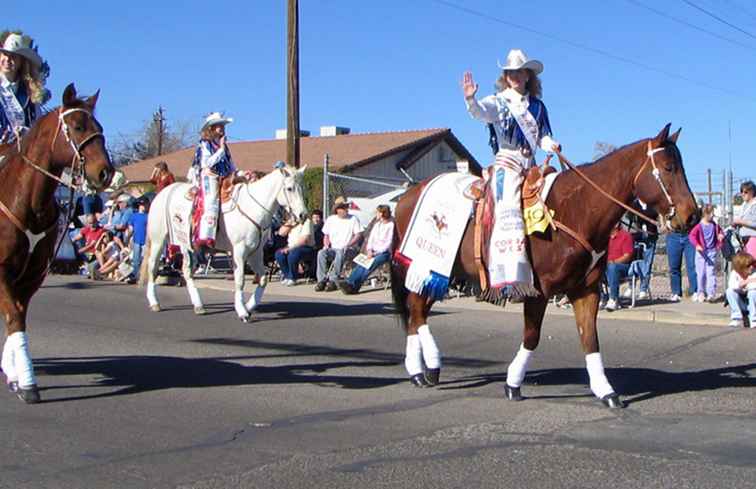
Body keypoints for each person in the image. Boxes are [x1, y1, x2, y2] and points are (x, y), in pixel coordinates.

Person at [462, 49, 560, 296]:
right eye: (510, 72)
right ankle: (509, 276)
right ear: (506, 77)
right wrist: (471, 100)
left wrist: (552, 145)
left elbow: (543, 137)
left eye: (519, 71)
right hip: (508, 163)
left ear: (528, 75)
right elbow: (479, 113)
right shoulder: (498, 101)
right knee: (509, 211)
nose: (515, 76)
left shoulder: (538, 107)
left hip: (531, 165)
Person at [191, 112, 238, 249]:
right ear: (211, 128)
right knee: (211, 201)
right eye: (219, 125)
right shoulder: (206, 144)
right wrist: (221, 150)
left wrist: (239, 173)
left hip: (225, 177)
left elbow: (231, 165)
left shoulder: (224, 147)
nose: (222, 128)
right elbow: (207, 163)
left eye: (223, 125)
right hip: (209, 176)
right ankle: (206, 236)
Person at [0, 31, 50, 143]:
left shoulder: (30, 94)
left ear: (21, 62)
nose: (8, 60)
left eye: (13, 57)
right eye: (5, 54)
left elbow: (38, 129)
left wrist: (25, 132)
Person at [338, 205, 395, 294]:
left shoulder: (391, 225)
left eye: (378, 212)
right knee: (362, 263)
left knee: (370, 264)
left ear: (382, 213)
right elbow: (371, 239)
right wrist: (369, 250)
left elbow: (388, 243)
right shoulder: (377, 225)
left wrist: (376, 253)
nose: (376, 214)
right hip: (372, 251)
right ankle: (350, 282)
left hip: (384, 253)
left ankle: (355, 286)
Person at [315, 198, 362, 292]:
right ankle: (321, 280)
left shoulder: (353, 219)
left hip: (349, 249)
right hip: (333, 249)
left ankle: (333, 279)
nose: (346, 209)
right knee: (321, 253)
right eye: (344, 208)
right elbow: (326, 235)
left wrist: (349, 244)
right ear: (338, 210)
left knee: (340, 253)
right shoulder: (331, 219)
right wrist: (326, 244)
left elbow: (358, 235)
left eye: (346, 207)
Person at [688, 204, 724, 302]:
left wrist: (720, 236)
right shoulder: (699, 226)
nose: (712, 215)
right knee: (701, 273)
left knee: (711, 273)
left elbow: (721, 232)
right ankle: (701, 292)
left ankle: (711, 293)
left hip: (711, 252)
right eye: (711, 213)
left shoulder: (715, 225)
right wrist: (697, 245)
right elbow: (692, 236)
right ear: (705, 214)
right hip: (701, 253)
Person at [274, 216, 315, 286]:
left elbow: (304, 240)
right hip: (291, 247)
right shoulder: (292, 222)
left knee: (293, 254)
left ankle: (293, 278)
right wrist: (290, 223)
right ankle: (287, 276)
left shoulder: (307, 221)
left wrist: (290, 248)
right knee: (279, 254)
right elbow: (281, 233)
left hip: (306, 248)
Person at [604, 222, 634, 311]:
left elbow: (627, 256)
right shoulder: (605, 237)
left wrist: (613, 262)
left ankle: (613, 299)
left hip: (623, 266)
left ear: (616, 224)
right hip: (607, 265)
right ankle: (601, 297)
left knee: (612, 267)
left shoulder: (626, 236)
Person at [666, 226, 698, 303]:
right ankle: (676, 292)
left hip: (689, 233)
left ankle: (695, 291)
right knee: (674, 266)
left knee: (692, 265)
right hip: (673, 234)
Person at [725, 252, 756, 328]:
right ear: (740, 267)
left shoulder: (754, 273)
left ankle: (754, 319)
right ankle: (737, 318)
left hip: (752, 303)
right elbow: (732, 286)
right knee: (729, 291)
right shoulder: (734, 274)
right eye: (748, 266)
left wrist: (746, 283)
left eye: (752, 264)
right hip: (741, 302)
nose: (751, 267)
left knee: (753, 292)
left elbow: (753, 286)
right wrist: (742, 284)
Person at [126, 200, 149, 284]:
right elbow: (130, 228)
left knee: (144, 259)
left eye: (145, 205)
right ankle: (136, 276)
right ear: (139, 206)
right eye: (142, 205)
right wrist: (128, 238)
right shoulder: (134, 216)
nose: (143, 206)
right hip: (136, 240)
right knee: (136, 260)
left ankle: (142, 277)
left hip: (145, 241)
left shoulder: (148, 216)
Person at [733, 180, 756, 257]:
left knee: (750, 264)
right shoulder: (744, 206)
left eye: (745, 192)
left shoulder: (754, 205)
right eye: (741, 192)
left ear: (752, 192)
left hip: (753, 238)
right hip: (743, 240)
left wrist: (741, 222)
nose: (742, 194)